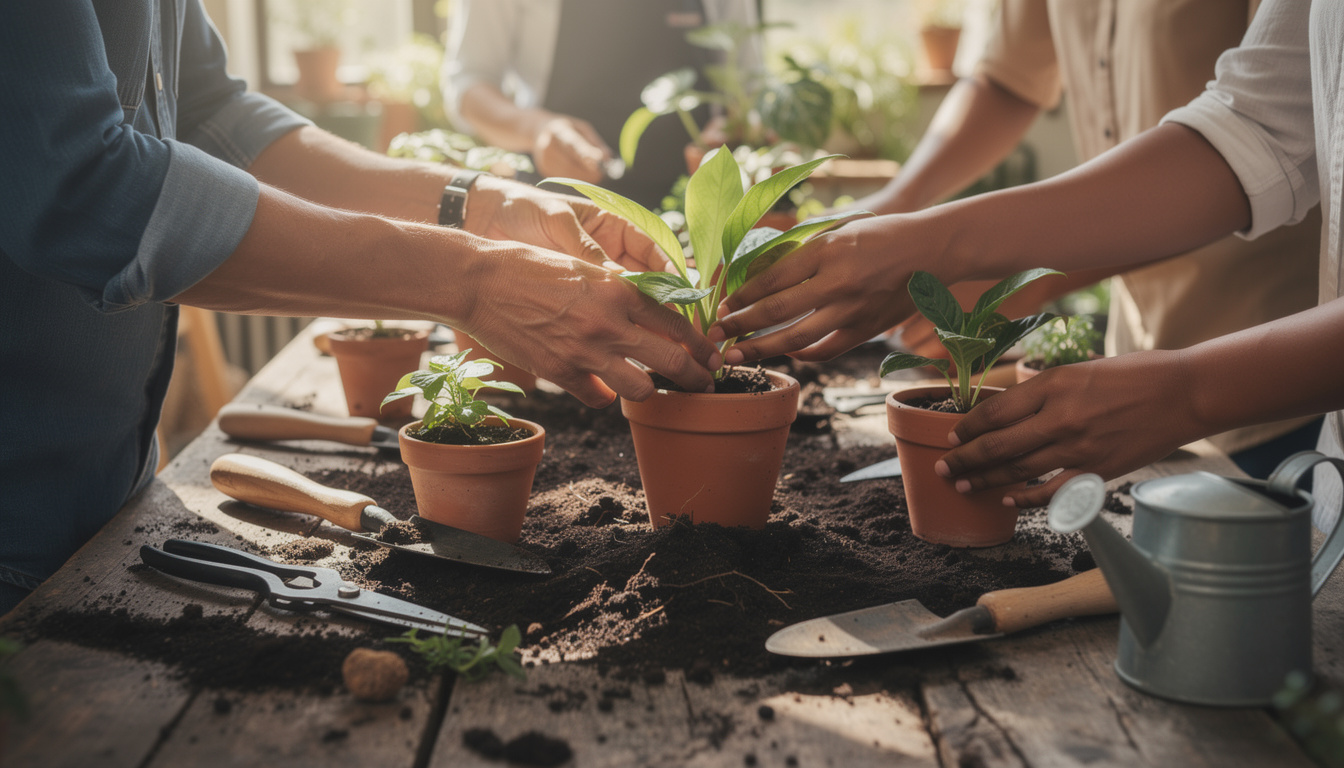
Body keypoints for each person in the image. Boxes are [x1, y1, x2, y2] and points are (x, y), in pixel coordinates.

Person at [0, 0, 720, 614]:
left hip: (112, 492)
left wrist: (479, 204)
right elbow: (81, 190)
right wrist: (468, 281)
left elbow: (214, 115)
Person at [709, 0, 1344, 523]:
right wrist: (916, 228)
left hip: (1264, 353)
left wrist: (1193, 389)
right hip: (1249, 425)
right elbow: (1253, 133)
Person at [840, 0, 1321, 480]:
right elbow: (1009, 75)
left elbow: (1257, 152)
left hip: (1268, 356)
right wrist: (894, 204)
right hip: (1133, 364)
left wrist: (1022, 271)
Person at [441, 0, 762, 208]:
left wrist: (743, 122)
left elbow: (750, 83)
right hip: (562, 207)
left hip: (696, 207)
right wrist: (538, 129)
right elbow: (469, 84)